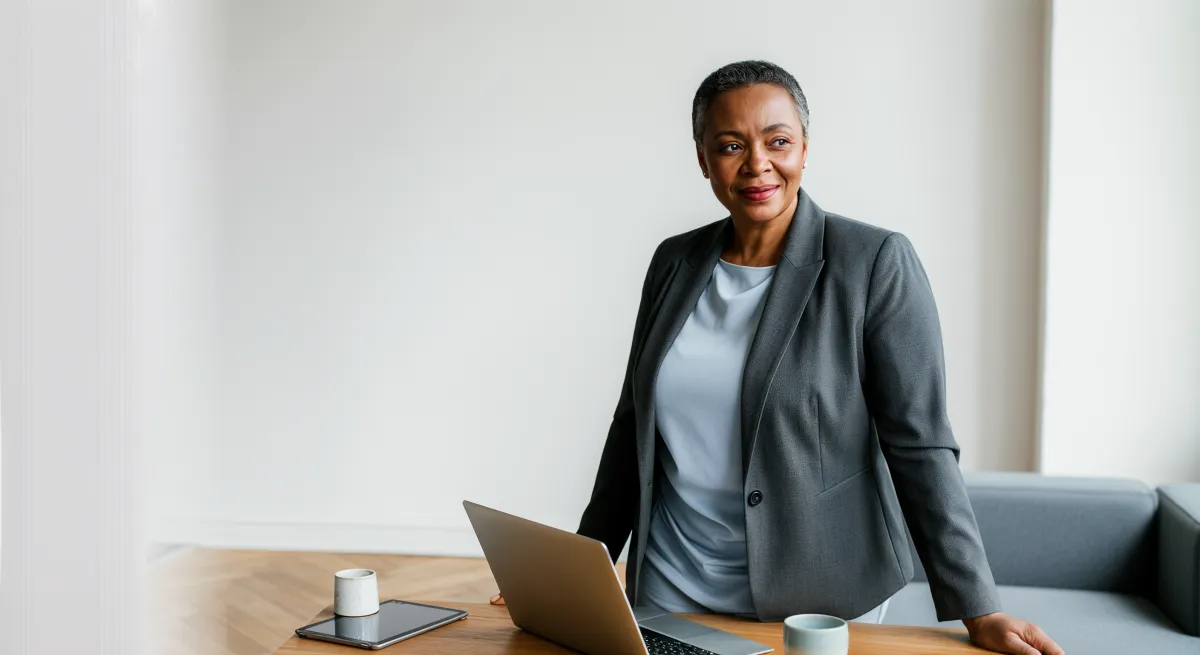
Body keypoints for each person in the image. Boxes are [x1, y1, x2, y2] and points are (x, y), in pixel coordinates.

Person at [493, 60, 1063, 655]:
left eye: (778, 141)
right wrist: (582, 566)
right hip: (671, 582)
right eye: (731, 145)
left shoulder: (873, 263)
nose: (757, 164)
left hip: (817, 598)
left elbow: (919, 444)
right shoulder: (673, 262)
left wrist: (979, 608)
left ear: (805, 149)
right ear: (703, 159)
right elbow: (633, 421)